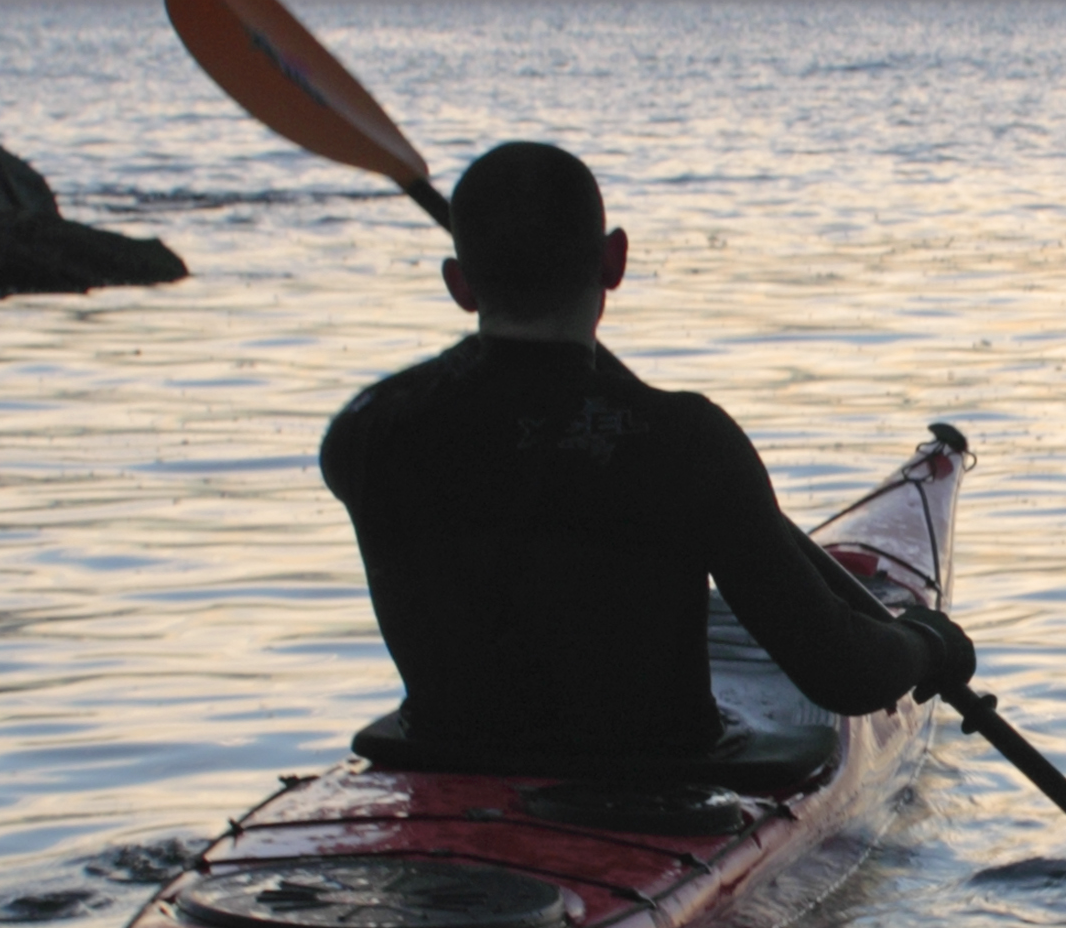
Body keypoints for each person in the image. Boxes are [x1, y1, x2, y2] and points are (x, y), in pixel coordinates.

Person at [321, 140, 976, 770]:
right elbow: (843, 673)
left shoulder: (366, 429)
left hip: (443, 758)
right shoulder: (686, 442)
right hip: (658, 777)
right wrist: (925, 644)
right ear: (614, 261)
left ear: (460, 284)